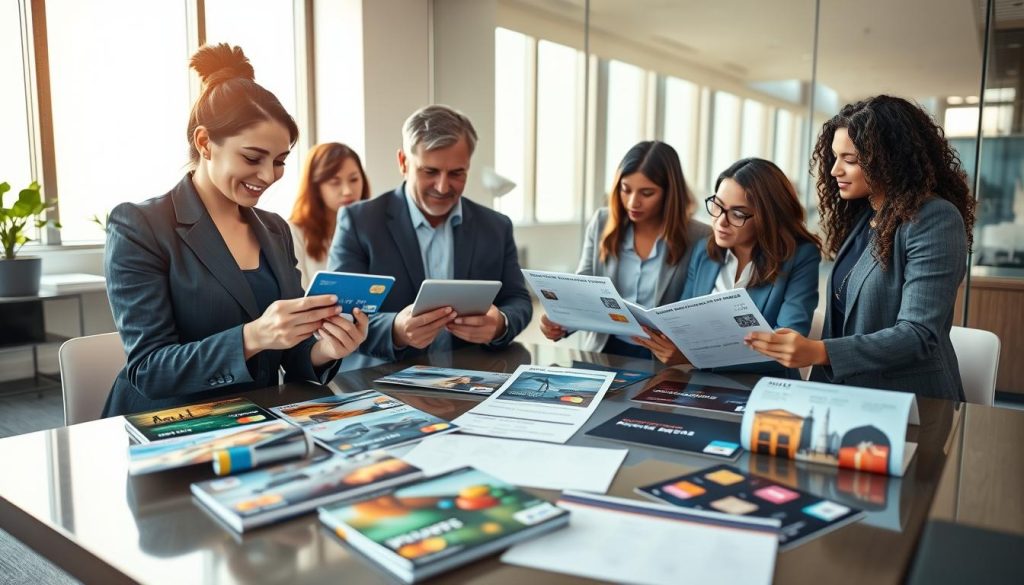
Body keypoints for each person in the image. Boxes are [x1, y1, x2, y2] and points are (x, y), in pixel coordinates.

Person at [102, 44, 368, 416]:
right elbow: (149, 370)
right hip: (165, 427)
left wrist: (328, 348)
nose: (267, 176)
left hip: (251, 420)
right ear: (205, 143)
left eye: (278, 162)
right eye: (252, 157)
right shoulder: (140, 226)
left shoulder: (274, 229)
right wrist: (253, 336)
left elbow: (293, 356)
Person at [745, 95, 976, 401]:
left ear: (889, 159)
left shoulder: (935, 218)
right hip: (844, 396)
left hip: (909, 402)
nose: (834, 170)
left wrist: (820, 351)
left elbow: (918, 335)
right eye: (834, 157)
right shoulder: (868, 216)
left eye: (850, 160)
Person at [328, 104, 532, 367]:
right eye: (430, 171)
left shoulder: (496, 226)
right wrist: (396, 330)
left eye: (457, 173)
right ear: (403, 163)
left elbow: (518, 300)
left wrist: (499, 324)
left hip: (471, 378)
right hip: (383, 382)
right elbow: (342, 314)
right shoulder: (360, 222)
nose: (443, 186)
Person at [634, 158, 822, 378]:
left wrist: (695, 357)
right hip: (702, 383)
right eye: (718, 206)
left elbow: (785, 347)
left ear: (768, 216)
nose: (721, 222)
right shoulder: (704, 251)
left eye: (737, 214)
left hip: (763, 387)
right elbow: (683, 320)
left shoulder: (800, 256)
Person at [538, 141, 712, 358]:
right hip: (605, 348)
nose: (633, 202)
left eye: (647, 193)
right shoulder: (602, 221)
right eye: (625, 189)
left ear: (670, 193)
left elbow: (698, 312)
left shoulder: (700, 237)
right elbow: (583, 286)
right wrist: (561, 321)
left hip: (663, 355)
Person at [288, 142, 370, 289]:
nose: (347, 191)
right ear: (315, 187)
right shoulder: (293, 233)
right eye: (334, 182)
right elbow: (297, 298)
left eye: (354, 180)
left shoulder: (371, 227)